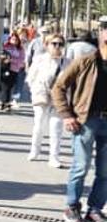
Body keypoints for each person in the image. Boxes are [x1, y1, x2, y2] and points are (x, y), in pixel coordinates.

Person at [51, 27, 107, 222]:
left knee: (105, 172)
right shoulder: (85, 61)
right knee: (81, 166)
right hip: (86, 121)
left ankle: (95, 209)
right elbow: (58, 87)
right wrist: (66, 115)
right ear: (101, 35)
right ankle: (72, 206)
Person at [28, 33, 66, 168]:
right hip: (42, 94)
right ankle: (35, 150)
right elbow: (31, 77)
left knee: (56, 127)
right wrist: (36, 90)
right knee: (39, 124)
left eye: (60, 44)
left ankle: (54, 157)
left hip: (59, 97)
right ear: (47, 45)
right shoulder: (39, 59)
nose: (57, 46)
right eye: (54, 43)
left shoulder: (67, 62)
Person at [0, 32, 26, 111]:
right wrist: (3, 58)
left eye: (16, 39)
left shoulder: (20, 49)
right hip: (4, 69)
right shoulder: (6, 46)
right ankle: (5, 103)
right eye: (12, 39)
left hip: (14, 69)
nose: (14, 41)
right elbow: (0, 55)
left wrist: (11, 60)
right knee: (5, 86)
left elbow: (21, 61)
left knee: (10, 87)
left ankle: (6, 102)